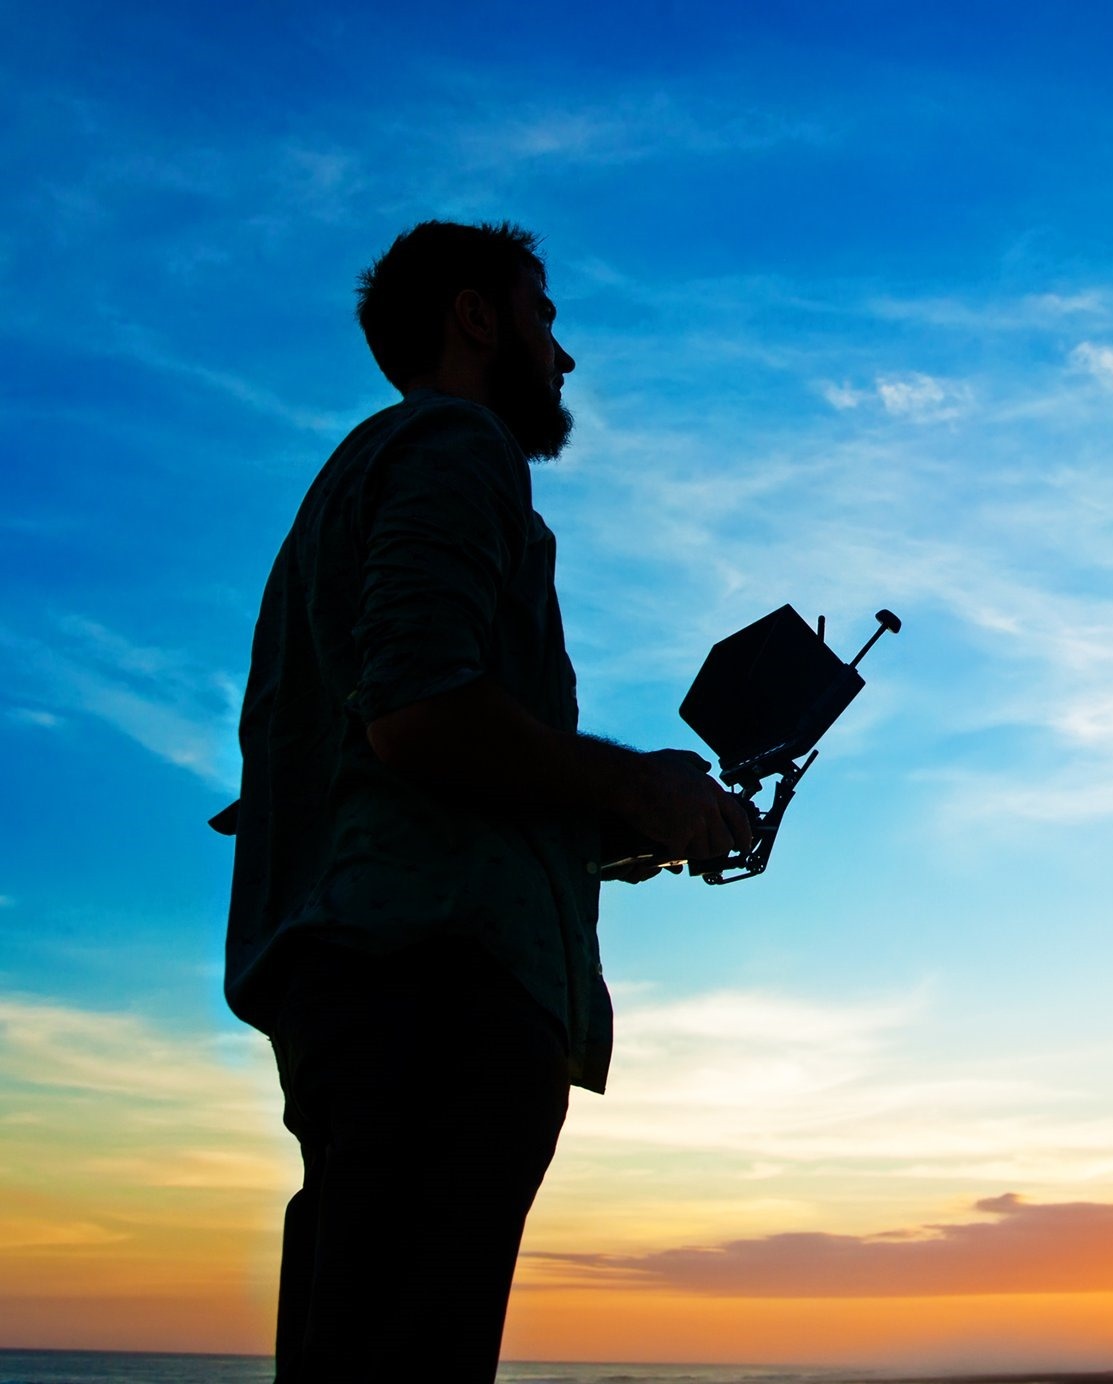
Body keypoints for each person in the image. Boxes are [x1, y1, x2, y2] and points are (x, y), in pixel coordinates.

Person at [217, 220, 755, 1382]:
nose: (563, 356)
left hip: (374, 990)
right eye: (544, 319)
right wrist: (638, 778)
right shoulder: (458, 444)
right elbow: (420, 714)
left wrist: (652, 823)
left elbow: (403, 767)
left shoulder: (341, 498)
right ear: (476, 317)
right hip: (437, 995)